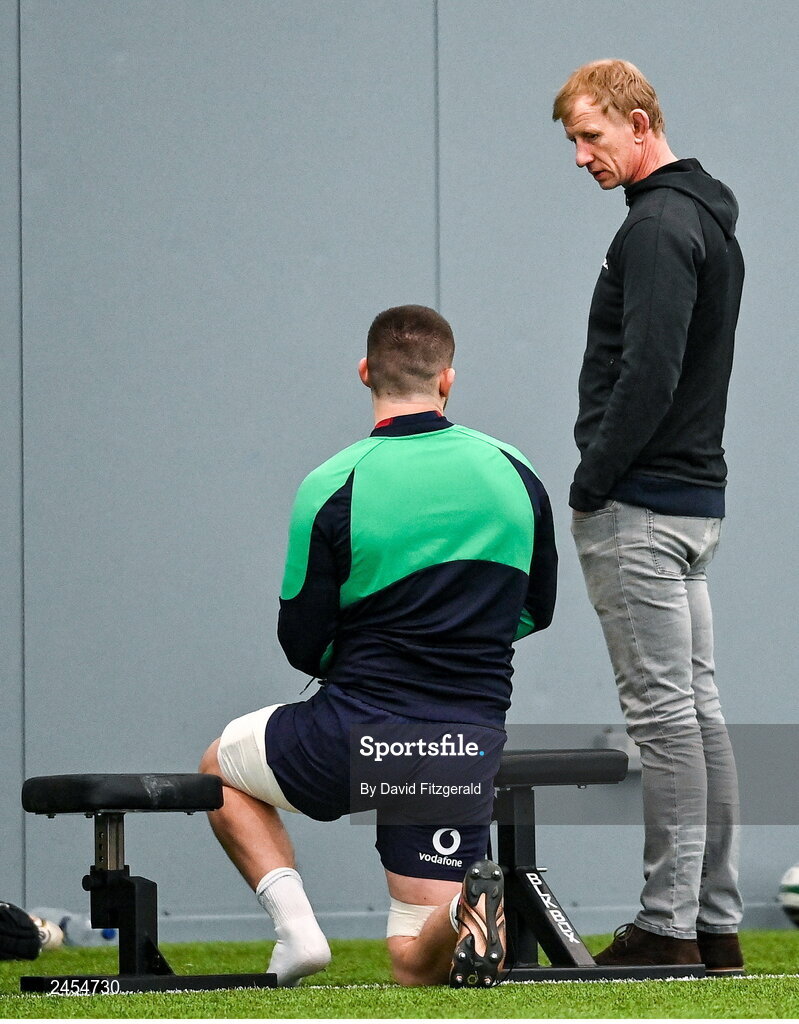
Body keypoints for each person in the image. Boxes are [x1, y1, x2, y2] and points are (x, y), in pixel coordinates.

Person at [200, 304, 557, 986]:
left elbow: (301, 642)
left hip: (355, 731)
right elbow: (535, 609)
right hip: (459, 743)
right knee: (413, 960)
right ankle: (459, 914)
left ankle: (297, 934)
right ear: (447, 379)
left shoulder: (332, 483)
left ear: (365, 372)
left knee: (219, 767)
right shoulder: (515, 472)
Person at [552, 60, 744, 973]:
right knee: (696, 715)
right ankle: (709, 923)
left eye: (592, 136)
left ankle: (667, 927)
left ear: (638, 123)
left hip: (644, 504)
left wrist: (591, 482)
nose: (582, 156)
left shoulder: (660, 226)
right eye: (572, 142)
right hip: (689, 502)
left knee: (664, 719)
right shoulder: (695, 214)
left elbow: (650, 373)